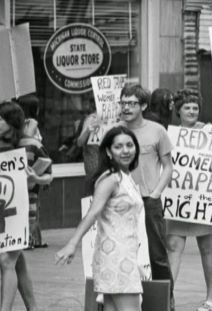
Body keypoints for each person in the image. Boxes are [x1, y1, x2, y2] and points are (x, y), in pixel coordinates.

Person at [56, 126, 143, 310]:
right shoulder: (110, 179)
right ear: (109, 152)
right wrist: (72, 243)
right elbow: (93, 212)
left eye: (129, 145)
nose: (125, 150)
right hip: (117, 258)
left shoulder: (125, 176)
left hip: (122, 255)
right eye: (118, 147)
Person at [118, 84, 175, 302]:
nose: (126, 107)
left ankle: (166, 303)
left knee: (157, 255)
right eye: (123, 103)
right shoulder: (115, 131)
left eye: (131, 103)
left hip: (148, 200)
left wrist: (156, 193)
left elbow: (168, 166)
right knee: (123, 253)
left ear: (143, 105)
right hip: (121, 200)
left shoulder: (157, 130)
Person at [165, 89, 212, 311]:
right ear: (178, 111)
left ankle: (211, 298)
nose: (191, 111)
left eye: (195, 107)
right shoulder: (169, 134)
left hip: (202, 198)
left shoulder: (208, 130)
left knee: (206, 248)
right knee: (174, 246)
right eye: (187, 107)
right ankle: (168, 297)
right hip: (179, 198)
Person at [0, 101, 41, 311]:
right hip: (2, 213)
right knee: (17, 261)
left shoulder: (30, 144)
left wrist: (35, 179)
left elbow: (46, 173)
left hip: (23, 212)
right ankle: (33, 308)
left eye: (1, 119)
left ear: (12, 122)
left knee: (6, 260)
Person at [17, 95, 53, 249]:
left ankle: (34, 239)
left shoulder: (24, 124)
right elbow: (29, 143)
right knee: (31, 207)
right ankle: (29, 239)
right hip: (30, 169)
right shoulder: (31, 123)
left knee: (32, 207)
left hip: (31, 170)